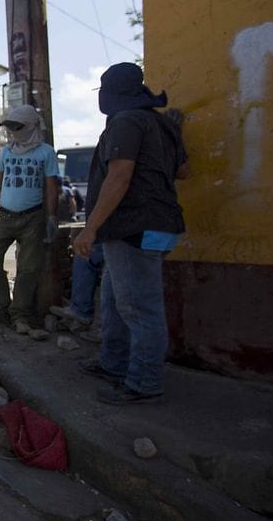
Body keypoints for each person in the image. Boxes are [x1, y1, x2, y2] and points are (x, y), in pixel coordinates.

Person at [73, 62, 190, 406]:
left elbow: (119, 177)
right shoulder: (161, 123)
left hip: (135, 227)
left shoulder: (126, 121)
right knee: (113, 299)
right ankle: (113, 363)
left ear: (111, 93)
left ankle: (144, 381)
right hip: (155, 225)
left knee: (140, 308)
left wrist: (89, 228)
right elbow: (184, 170)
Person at [0, 104, 59, 333]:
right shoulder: (6, 152)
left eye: (18, 127)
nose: (13, 131)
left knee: (28, 268)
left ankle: (19, 315)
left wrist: (52, 217)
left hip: (33, 217)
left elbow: (52, 188)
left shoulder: (45, 152)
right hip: (4, 216)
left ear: (31, 126)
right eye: (10, 127)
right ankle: (0, 309)